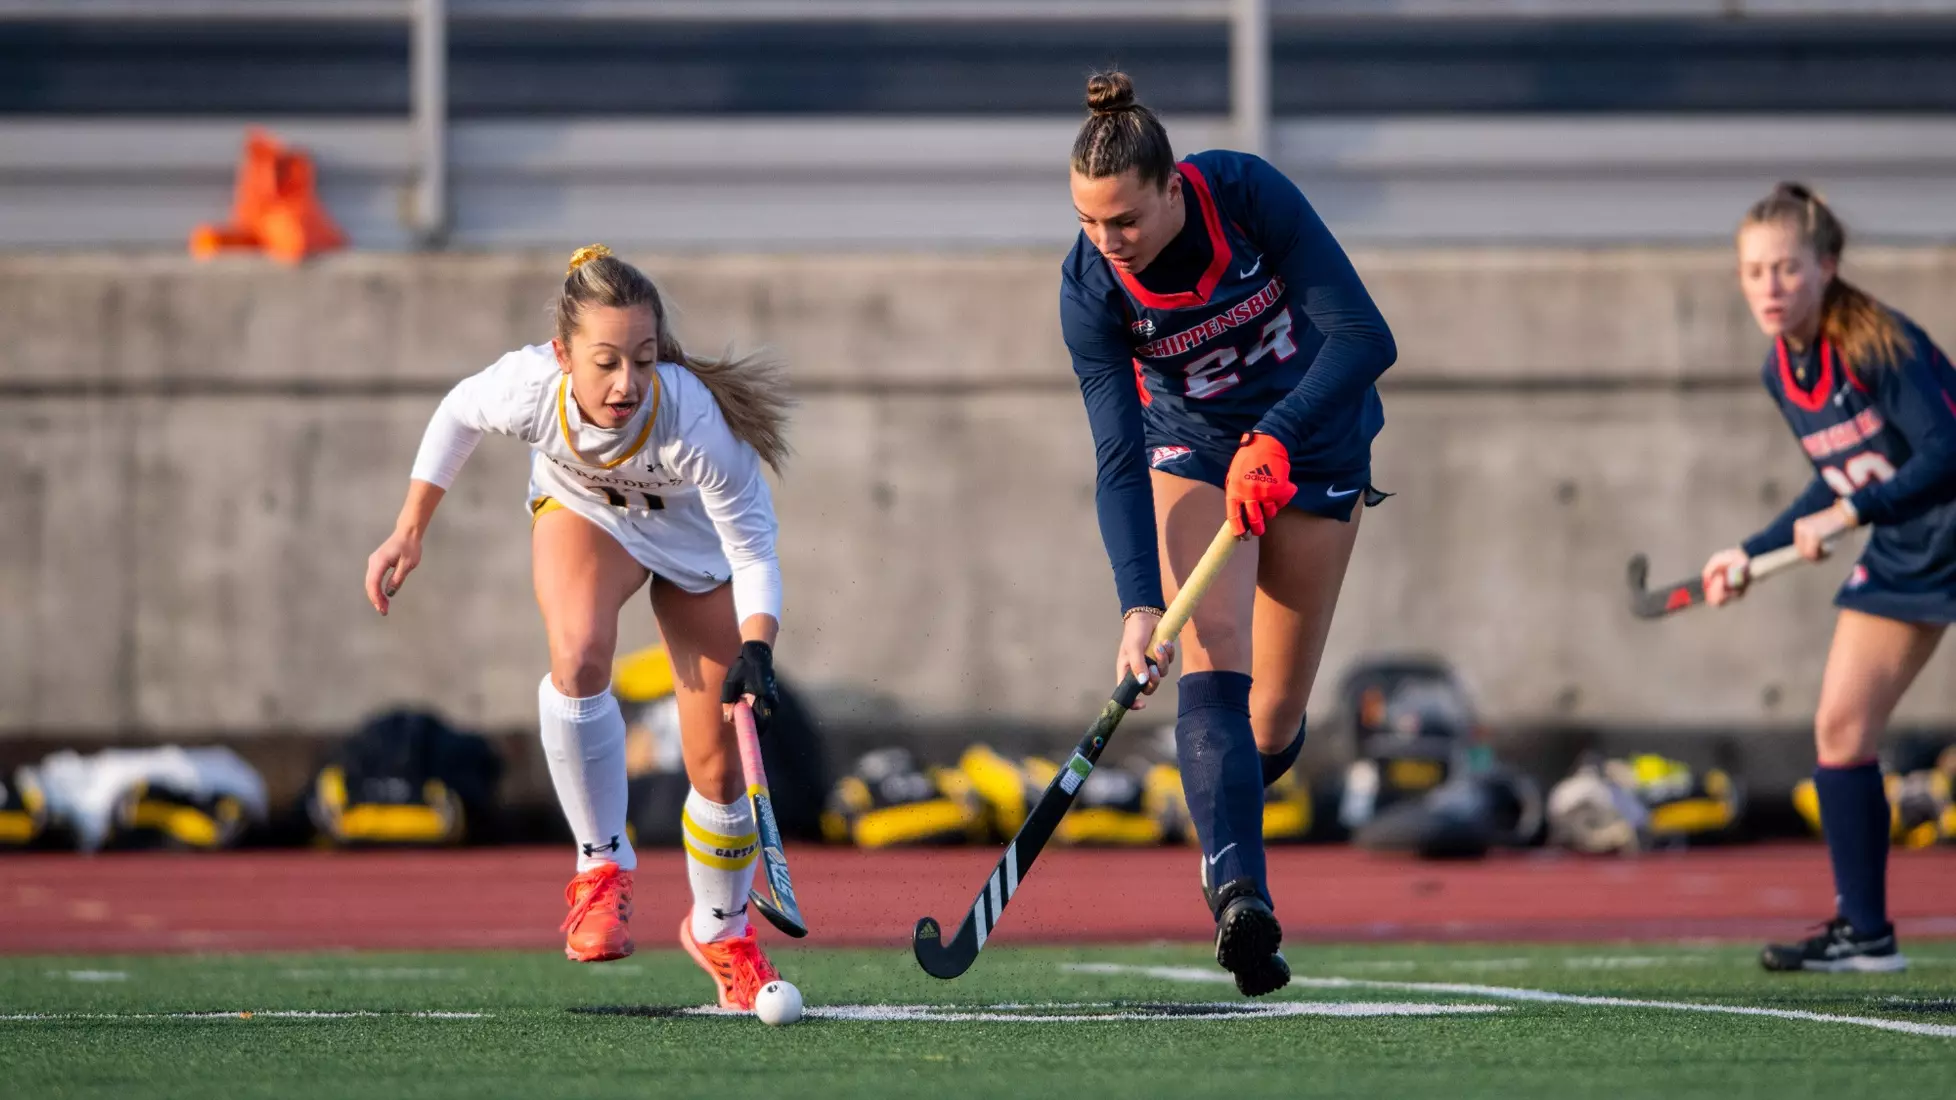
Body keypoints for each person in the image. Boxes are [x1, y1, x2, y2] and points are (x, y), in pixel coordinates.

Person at [363, 245, 794, 1009]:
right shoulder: (531, 387)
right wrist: (408, 529)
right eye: (604, 363)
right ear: (563, 355)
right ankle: (601, 868)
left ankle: (721, 931)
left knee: (719, 773)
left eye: (643, 358)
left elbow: (753, 549)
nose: (626, 383)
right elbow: (458, 411)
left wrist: (756, 643)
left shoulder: (695, 422)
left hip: (697, 556)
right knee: (579, 655)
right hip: (589, 514)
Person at [1060, 71, 1397, 995]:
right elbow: (1118, 457)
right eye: (1090, 221)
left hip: (1316, 437)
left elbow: (1366, 338)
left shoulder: (1244, 196)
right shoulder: (1091, 287)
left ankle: (1230, 810)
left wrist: (1277, 435)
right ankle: (1240, 896)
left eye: (1124, 219)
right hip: (1195, 450)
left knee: (1274, 721)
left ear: (1172, 188)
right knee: (1212, 651)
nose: (1108, 242)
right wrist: (1137, 606)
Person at [1703, 183, 1956, 973]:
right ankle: (1867, 935)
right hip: (1908, 547)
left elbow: (1947, 452)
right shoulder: (1783, 368)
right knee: (1842, 732)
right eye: (1754, 272)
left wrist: (1853, 514)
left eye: (1786, 269)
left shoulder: (1881, 343)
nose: (1769, 288)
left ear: (1827, 267)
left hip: (1940, 524)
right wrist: (1752, 549)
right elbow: (1838, 476)